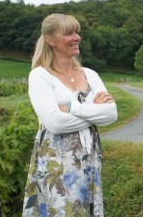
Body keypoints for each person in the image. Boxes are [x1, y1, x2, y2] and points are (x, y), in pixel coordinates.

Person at [23, 13, 117, 217]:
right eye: (69, 33)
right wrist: (95, 110)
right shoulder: (40, 75)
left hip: (90, 161)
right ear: (50, 40)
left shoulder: (90, 74)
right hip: (57, 162)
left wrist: (73, 109)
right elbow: (55, 123)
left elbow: (111, 114)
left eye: (77, 32)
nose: (77, 37)